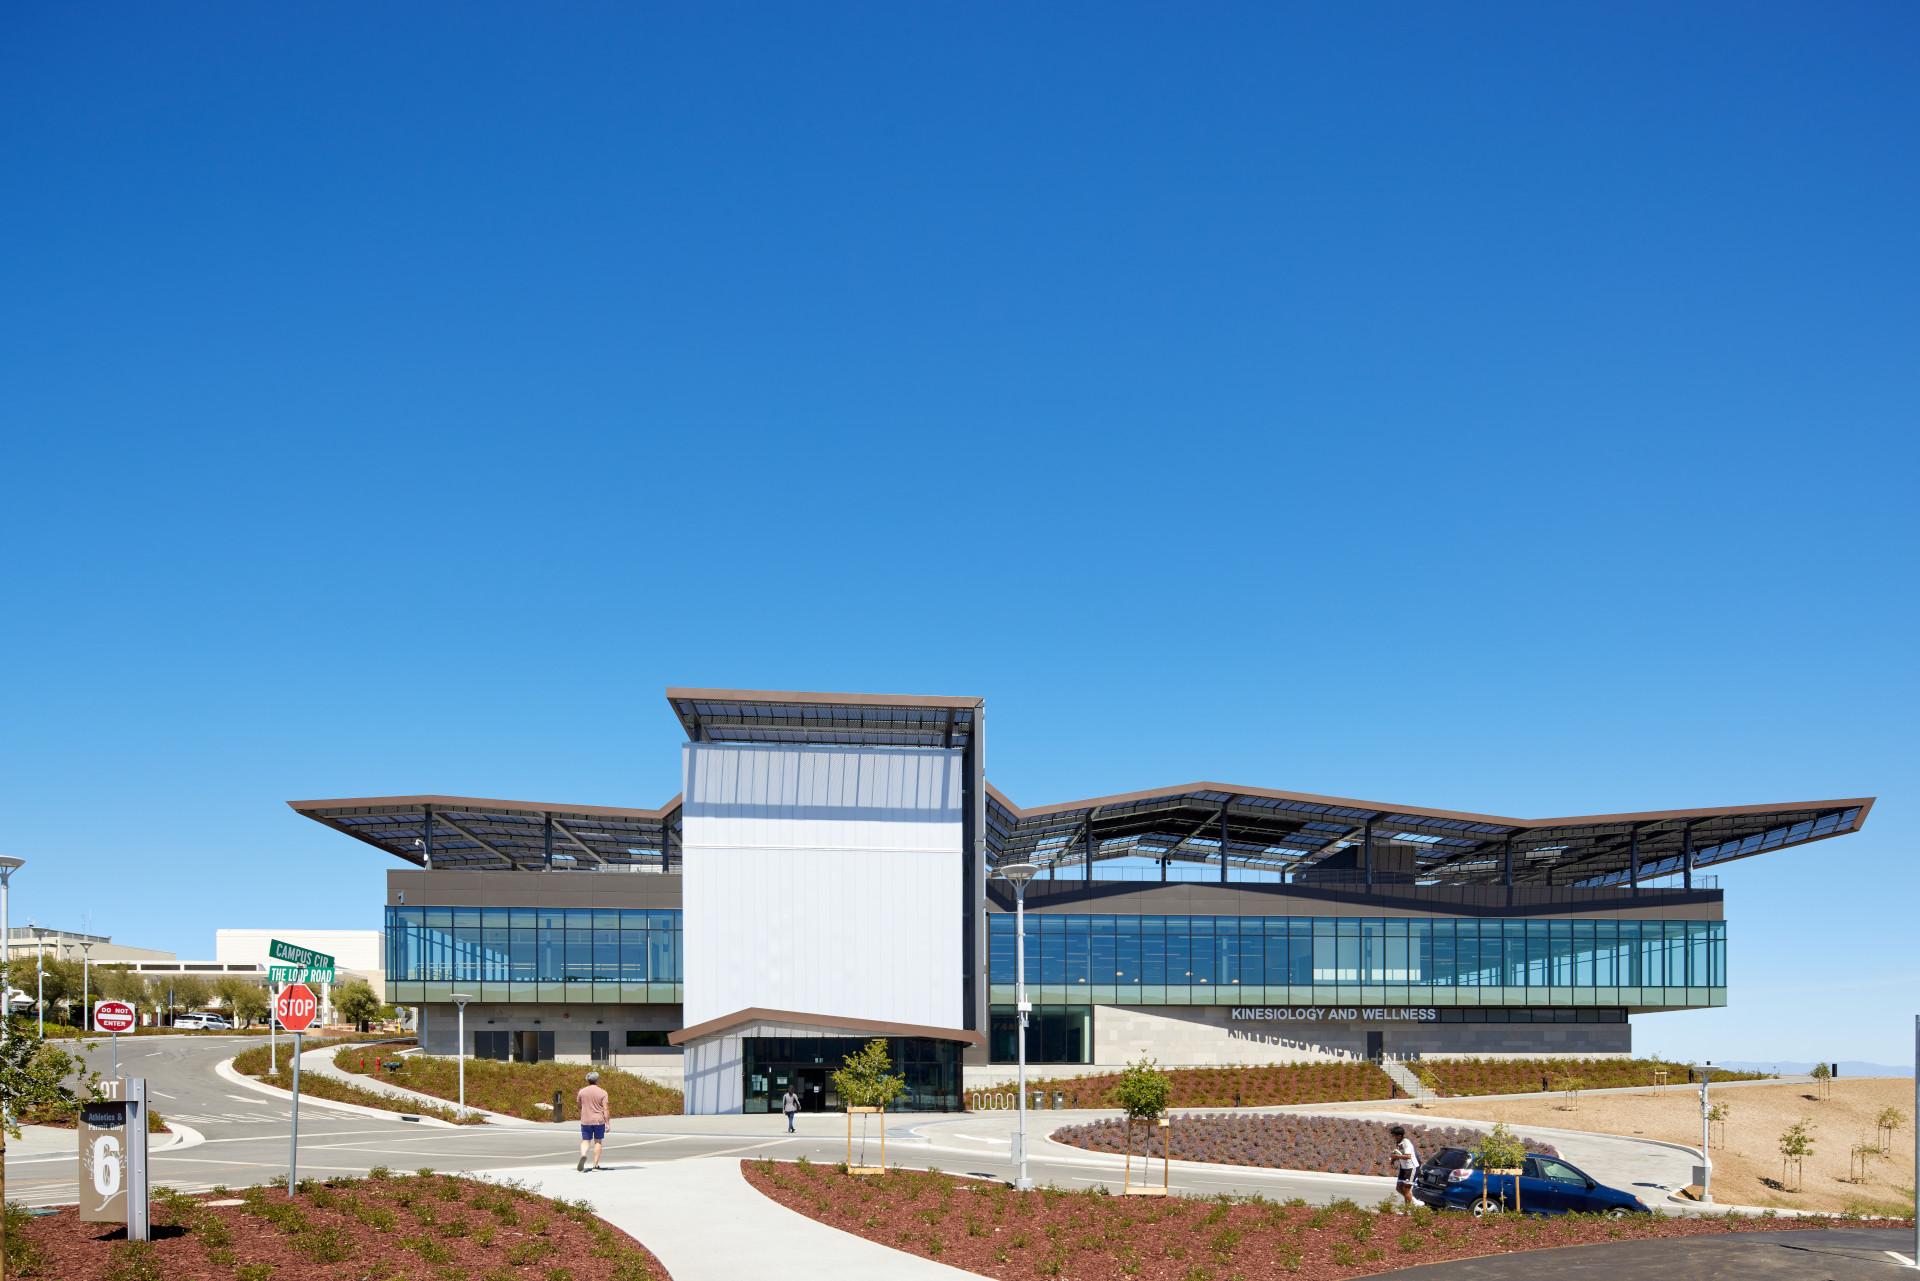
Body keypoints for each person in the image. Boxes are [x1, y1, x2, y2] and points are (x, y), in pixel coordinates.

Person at [577, 1071, 610, 1172]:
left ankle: (583, 1155)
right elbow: (606, 1108)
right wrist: (607, 1122)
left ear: (587, 1080)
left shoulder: (581, 1092)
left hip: (585, 1120)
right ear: (597, 1080)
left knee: (585, 1140)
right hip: (598, 1120)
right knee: (598, 1141)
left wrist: (583, 1112)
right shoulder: (603, 1092)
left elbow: (579, 1105)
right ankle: (595, 1165)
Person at [1389, 1125, 1418, 1208]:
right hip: (1403, 1168)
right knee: (1398, 1188)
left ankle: (1408, 1210)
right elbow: (1400, 1153)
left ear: (1399, 1136)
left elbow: (1408, 1156)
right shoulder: (1399, 1142)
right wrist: (1393, 1160)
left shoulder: (1406, 1143)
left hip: (1411, 1168)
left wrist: (1396, 1157)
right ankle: (1414, 1201)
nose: (1393, 1137)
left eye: (1394, 1135)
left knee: (1406, 1190)